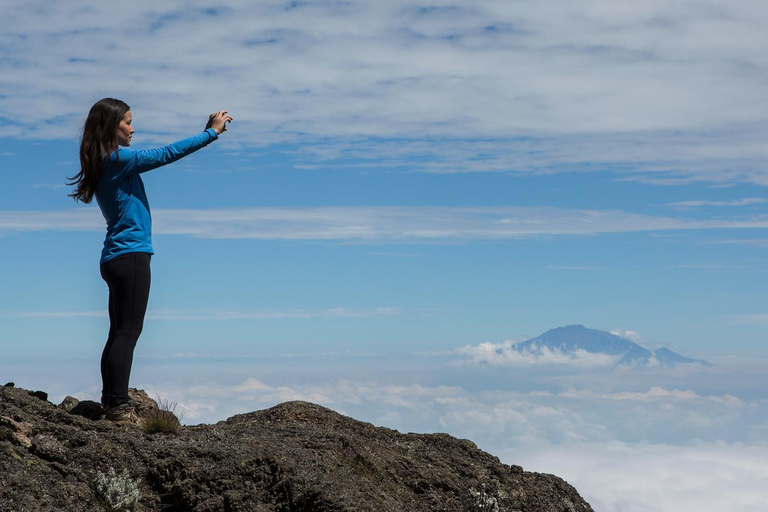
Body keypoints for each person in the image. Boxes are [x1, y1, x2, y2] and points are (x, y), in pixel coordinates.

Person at [68, 98, 232, 422]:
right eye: (127, 121)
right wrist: (211, 134)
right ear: (111, 126)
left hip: (116, 257)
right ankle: (117, 406)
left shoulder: (104, 162)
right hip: (130, 256)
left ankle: (111, 400)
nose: (133, 128)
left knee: (119, 332)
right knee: (128, 333)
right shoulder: (117, 159)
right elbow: (165, 154)